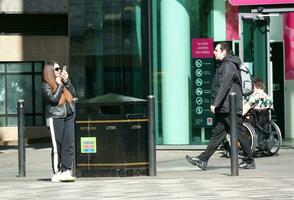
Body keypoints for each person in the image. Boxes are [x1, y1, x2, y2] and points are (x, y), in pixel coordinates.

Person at [186, 42, 255, 170]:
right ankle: (203, 159)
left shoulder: (228, 65)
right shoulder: (226, 64)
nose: (214, 52)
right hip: (226, 107)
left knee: (238, 133)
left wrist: (215, 104)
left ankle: (249, 160)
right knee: (217, 135)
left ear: (224, 52)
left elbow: (224, 86)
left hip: (230, 107)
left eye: (216, 50)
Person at [42, 61, 77, 182]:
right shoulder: (45, 86)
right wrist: (60, 86)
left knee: (69, 143)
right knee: (58, 145)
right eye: (57, 69)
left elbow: (73, 95)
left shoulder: (62, 82)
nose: (59, 71)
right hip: (56, 117)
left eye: (60, 69)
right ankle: (57, 172)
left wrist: (66, 81)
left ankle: (66, 170)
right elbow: (53, 99)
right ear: (50, 71)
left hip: (69, 114)